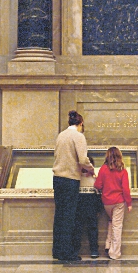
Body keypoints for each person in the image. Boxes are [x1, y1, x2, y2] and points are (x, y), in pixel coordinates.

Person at [52, 110, 94, 262]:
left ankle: (57, 250)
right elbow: (83, 159)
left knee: (59, 215)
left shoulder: (61, 135)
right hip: (70, 180)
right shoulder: (78, 136)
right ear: (81, 124)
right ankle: (67, 253)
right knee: (69, 217)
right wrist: (91, 169)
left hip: (57, 179)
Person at [95, 147, 132, 260]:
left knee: (112, 221)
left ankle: (108, 244)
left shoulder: (103, 169)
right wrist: (129, 203)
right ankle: (115, 253)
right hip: (118, 202)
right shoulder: (123, 171)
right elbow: (125, 189)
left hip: (107, 202)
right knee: (117, 226)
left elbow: (97, 185)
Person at [72, 156, 101, 259]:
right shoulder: (94, 180)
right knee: (92, 229)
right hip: (91, 208)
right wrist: (98, 209)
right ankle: (94, 250)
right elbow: (98, 196)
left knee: (78, 230)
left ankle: (76, 250)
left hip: (80, 208)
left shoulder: (76, 180)